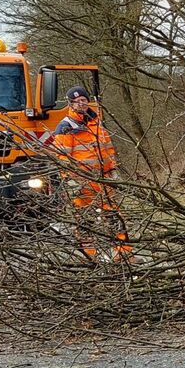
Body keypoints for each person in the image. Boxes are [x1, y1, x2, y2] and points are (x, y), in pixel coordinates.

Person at [52, 86, 132, 262]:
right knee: (85, 220)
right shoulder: (66, 127)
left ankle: (124, 253)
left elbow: (108, 148)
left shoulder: (96, 122)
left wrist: (113, 169)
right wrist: (70, 179)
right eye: (77, 101)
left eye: (83, 100)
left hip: (103, 179)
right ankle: (89, 257)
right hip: (82, 181)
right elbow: (62, 156)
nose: (81, 104)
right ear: (70, 104)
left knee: (114, 216)